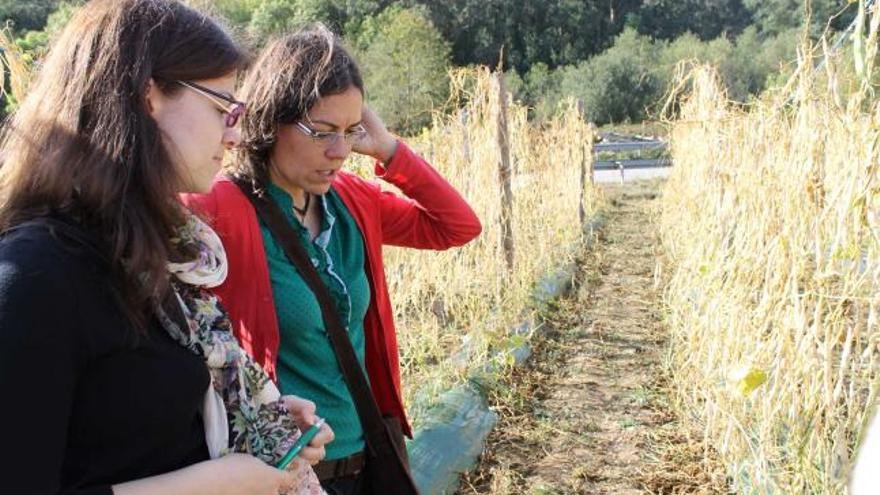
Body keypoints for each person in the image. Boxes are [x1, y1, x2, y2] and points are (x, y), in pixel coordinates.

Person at [0, 1, 331, 494]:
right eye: (222, 108)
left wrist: (261, 421)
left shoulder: (162, 253)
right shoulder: (36, 275)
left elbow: (131, 424)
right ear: (147, 96)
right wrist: (208, 486)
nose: (235, 133)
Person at [181, 25, 482, 494]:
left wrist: (387, 149)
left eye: (350, 131)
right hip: (286, 472)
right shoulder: (221, 209)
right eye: (322, 133)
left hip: (367, 454)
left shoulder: (352, 202)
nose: (340, 152)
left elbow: (455, 226)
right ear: (270, 120)